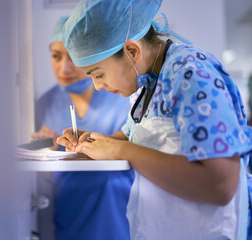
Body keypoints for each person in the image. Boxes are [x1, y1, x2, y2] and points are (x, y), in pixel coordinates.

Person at [56, 0, 252, 239]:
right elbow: (133, 137)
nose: (97, 86)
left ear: (132, 51)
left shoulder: (190, 72)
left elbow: (220, 186)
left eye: (99, 74)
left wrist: (123, 151)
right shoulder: (148, 82)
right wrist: (88, 141)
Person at [32, 16, 134, 240]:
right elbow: (49, 176)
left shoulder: (120, 93)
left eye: (73, 58)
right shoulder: (45, 104)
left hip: (117, 208)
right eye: (56, 57)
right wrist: (46, 151)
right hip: (71, 208)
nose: (64, 68)